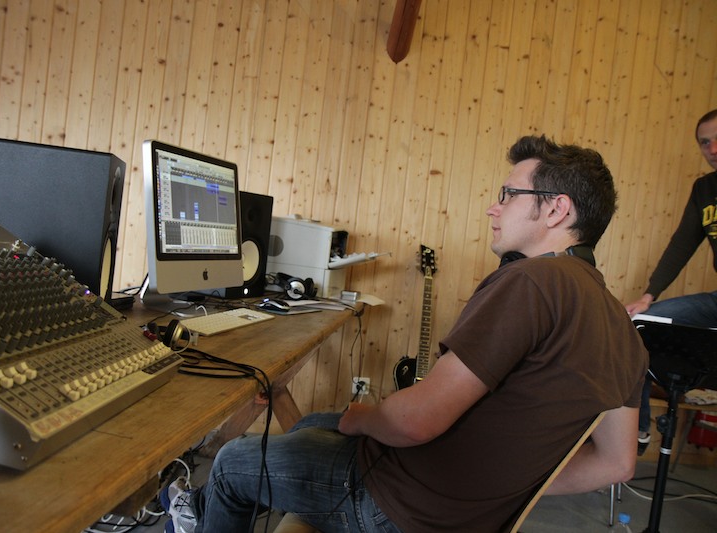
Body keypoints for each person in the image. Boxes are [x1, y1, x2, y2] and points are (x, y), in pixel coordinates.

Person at [163, 135, 648, 533]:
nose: (492, 209)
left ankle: (199, 509)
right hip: (460, 513)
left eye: (507, 195)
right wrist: (508, 485)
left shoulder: (533, 282)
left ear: (557, 210)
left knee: (231, 461)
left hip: (397, 506)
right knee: (314, 422)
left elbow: (417, 422)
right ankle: (206, 506)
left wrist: (366, 418)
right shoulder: (625, 333)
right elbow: (617, 464)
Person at [624, 108, 717, 452]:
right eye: (704, 143)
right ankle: (638, 430)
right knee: (641, 325)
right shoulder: (704, 189)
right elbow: (681, 245)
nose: (712, 149)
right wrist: (648, 296)